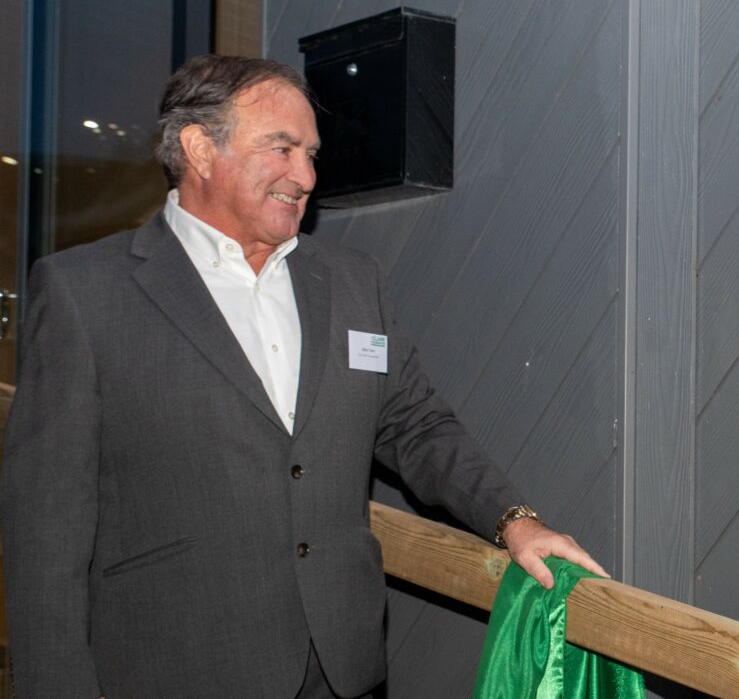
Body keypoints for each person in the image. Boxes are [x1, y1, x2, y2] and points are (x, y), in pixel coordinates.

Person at [1, 54, 606, 699]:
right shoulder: (84, 293)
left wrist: (515, 520)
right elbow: (45, 534)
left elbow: (416, 425)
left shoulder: (350, 282)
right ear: (200, 147)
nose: (306, 175)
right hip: (175, 667)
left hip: (341, 668)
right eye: (282, 149)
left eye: (311, 153)